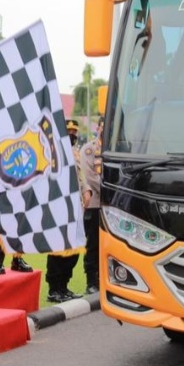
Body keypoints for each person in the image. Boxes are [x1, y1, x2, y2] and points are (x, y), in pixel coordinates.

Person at [45, 120, 85, 303]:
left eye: (74, 132)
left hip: (76, 206)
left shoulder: (76, 153)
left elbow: (81, 177)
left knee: (74, 247)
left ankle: (64, 286)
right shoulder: (53, 153)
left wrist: (86, 192)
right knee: (58, 247)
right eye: (68, 131)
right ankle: (54, 288)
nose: (71, 134)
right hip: (59, 205)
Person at [79, 117, 103, 294]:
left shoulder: (120, 149)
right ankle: (91, 282)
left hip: (114, 207)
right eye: (104, 126)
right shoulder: (89, 149)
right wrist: (114, 190)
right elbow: (90, 177)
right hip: (95, 205)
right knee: (93, 244)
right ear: (99, 128)